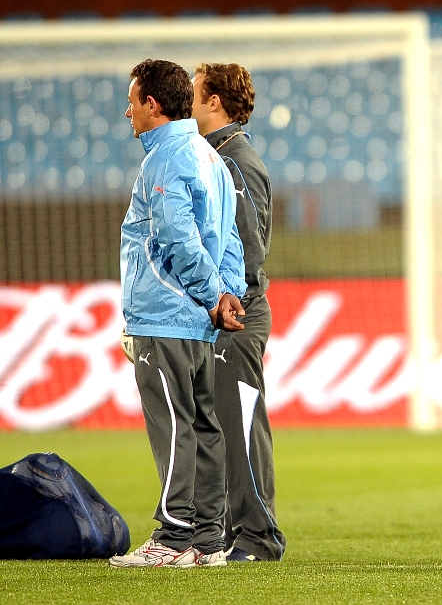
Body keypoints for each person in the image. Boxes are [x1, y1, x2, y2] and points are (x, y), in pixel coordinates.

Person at [110, 59, 247, 569]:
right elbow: (229, 238)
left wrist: (214, 296)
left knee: (173, 426)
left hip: (166, 315)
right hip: (202, 321)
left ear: (152, 104)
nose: (127, 112)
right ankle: (208, 541)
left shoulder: (164, 160)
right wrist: (227, 295)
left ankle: (172, 538)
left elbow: (176, 237)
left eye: (132, 101)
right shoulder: (211, 159)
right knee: (206, 427)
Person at [192, 62, 285, 562]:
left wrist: (229, 297)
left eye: (194, 92)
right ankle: (233, 533)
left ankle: (257, 537)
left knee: (242, 426)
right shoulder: (214, 156)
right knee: (222, 429)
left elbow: (250, 243)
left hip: (236, 313)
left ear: (214, 102)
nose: (187, 100)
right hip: (219, 314)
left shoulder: (235, 159)